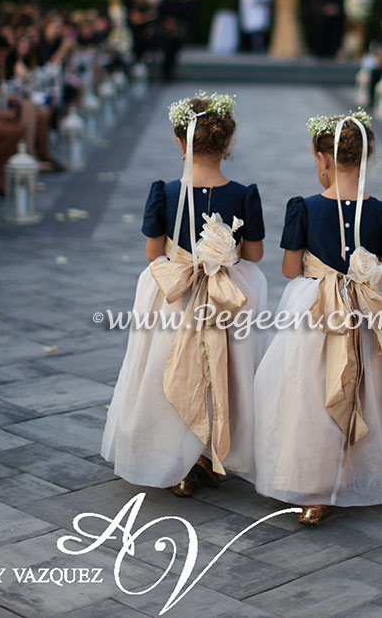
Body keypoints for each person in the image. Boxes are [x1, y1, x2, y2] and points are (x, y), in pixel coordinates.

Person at [254, 110, 382, 525]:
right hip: (368, 310)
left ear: (322, 160)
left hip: (315, 310)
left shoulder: (303, 208)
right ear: (365, 158)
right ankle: (368, 472)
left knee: (312, 391)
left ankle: (314, 486)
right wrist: (362, 269)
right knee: (371, 389)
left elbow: (290, 270)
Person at [102, 92, 267, 495]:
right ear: (227, 144)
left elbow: (153, 253)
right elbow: (255, 254)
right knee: (221, 371)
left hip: (175, 299)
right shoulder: (245, 194)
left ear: (181, 144)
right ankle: (210, 453)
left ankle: (175, 461)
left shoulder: (163, 192)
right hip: (227, 296)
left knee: (170, 369)